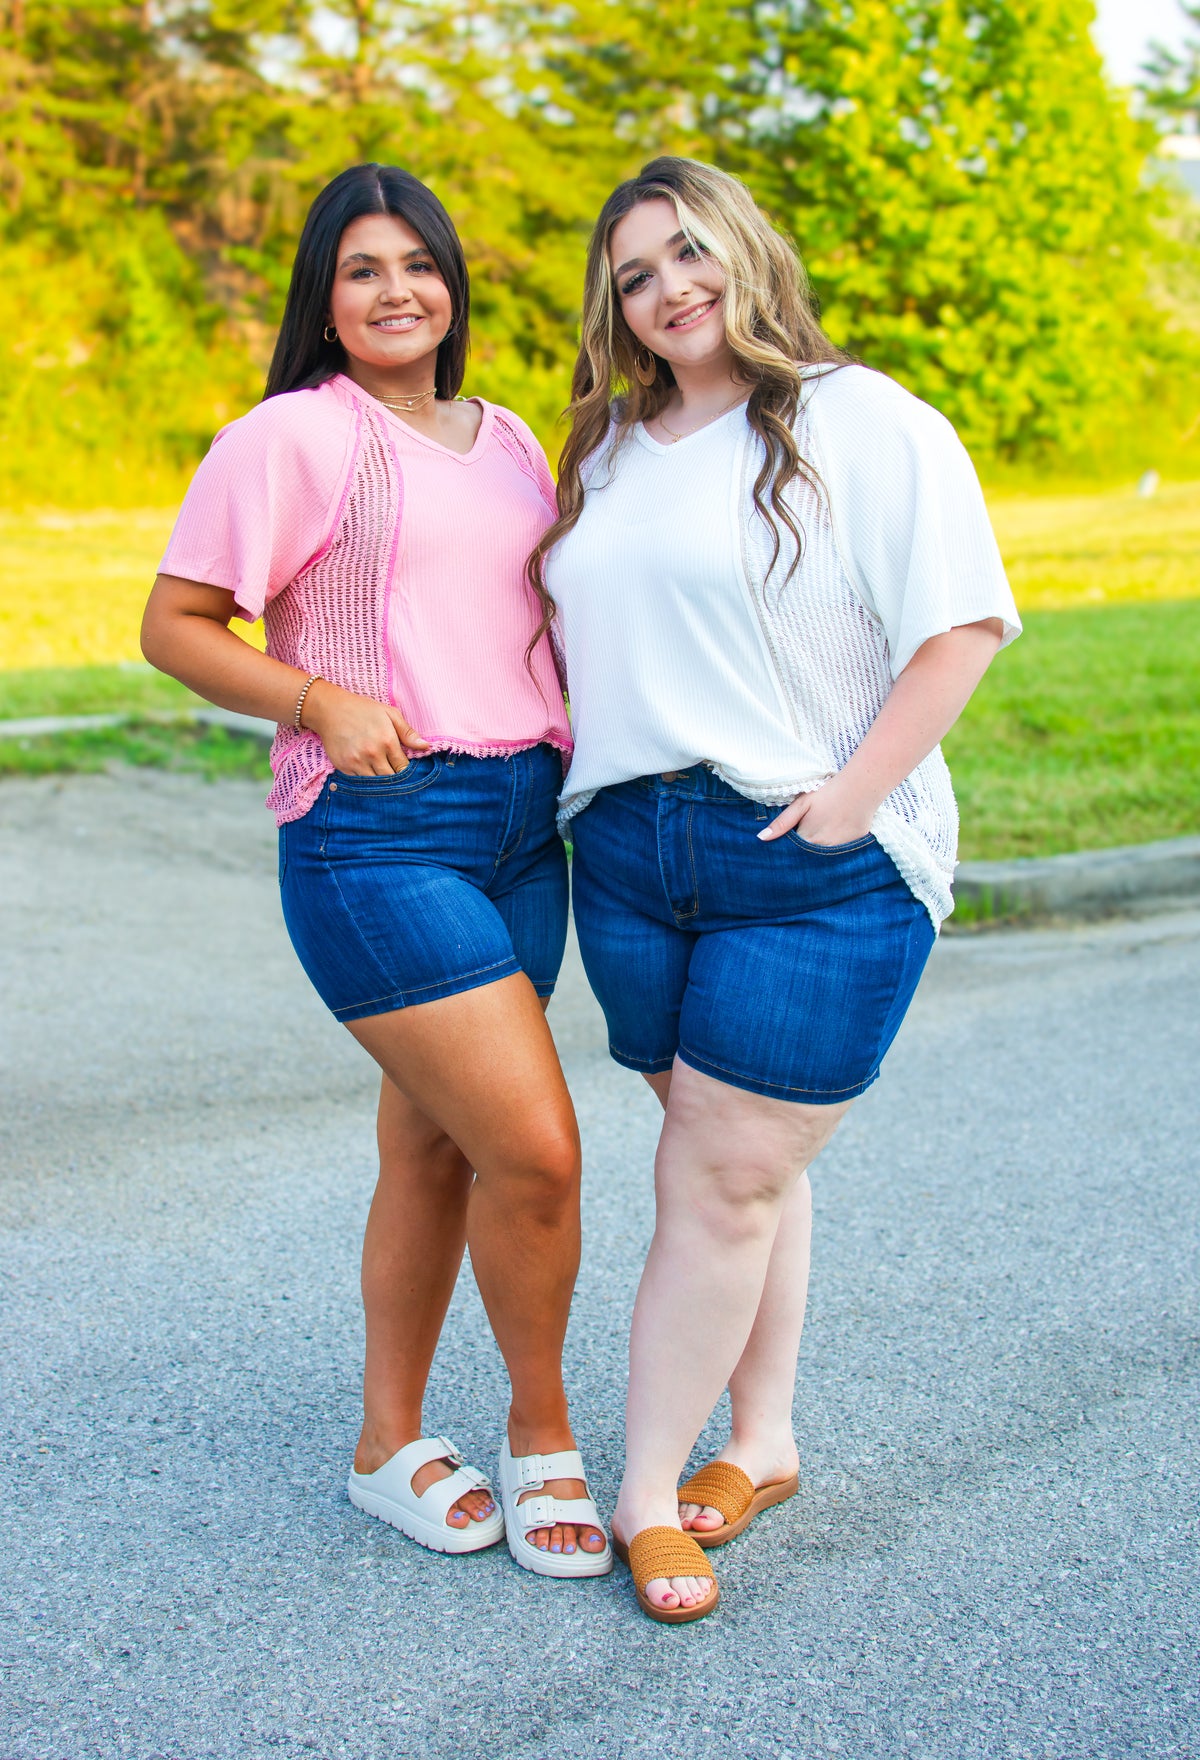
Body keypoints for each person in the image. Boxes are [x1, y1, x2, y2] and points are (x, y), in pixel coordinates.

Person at [531, 156, 1020, 1622]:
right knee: (737, 1162)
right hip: (626, 851)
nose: (670, 288)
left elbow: (964, 625)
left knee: (721, 1176)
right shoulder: (608, 447)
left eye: (690, 253)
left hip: (806, 855)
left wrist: (851, 802)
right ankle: (765, 1439)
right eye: (635, 274)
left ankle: (643, 1494)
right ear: (614, 308)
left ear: (746, 252)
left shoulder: (865, 419)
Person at [141, 163, 611, 1579]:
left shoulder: (513, 434)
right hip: (377, 829)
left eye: (419, 261)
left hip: (526, 825)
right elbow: (173, 624)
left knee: (432, 1140)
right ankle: (545, 1440)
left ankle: (385, 1445)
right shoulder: (291, 437)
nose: (397, 287)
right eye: (361, 268)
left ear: (454, 283)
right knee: (536, 1151)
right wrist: (313, 701)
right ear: (325, 302)